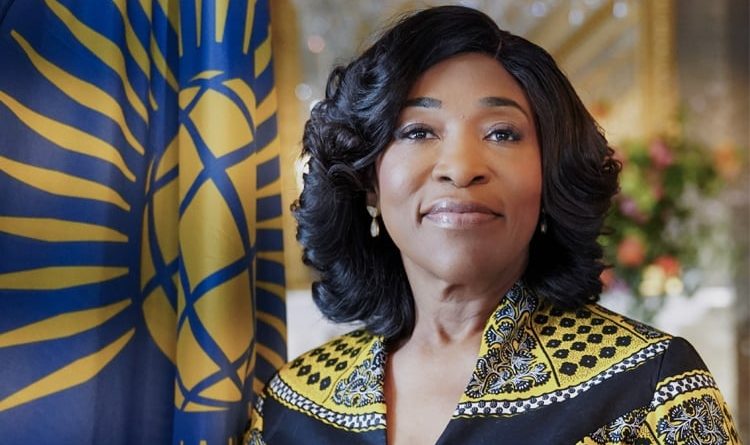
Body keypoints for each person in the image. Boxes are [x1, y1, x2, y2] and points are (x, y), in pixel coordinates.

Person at [246, 5, 740, 445]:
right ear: (367, 180)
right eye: (417, 131)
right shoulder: (292, 406)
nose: (461, 168)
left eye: (502, 134)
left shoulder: (651, 390)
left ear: (551, 174)